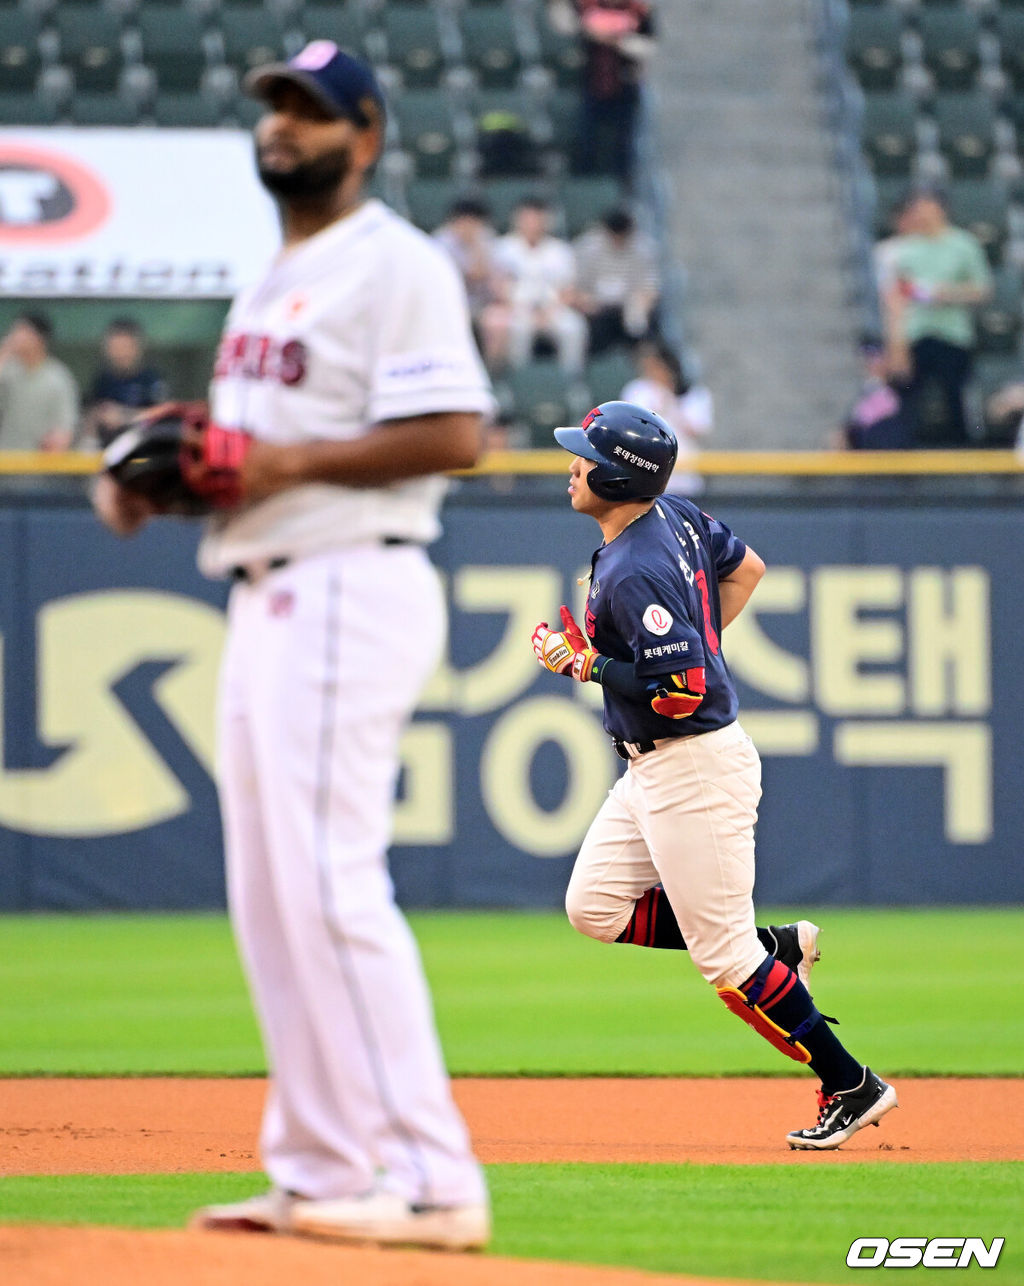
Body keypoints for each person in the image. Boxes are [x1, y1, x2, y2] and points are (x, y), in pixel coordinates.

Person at [92, 41, 492, 1251]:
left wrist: (278, 464)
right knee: (270, 897)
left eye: (311, 111)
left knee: (327, 880)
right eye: (274, 107)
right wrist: (164, 480)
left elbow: (457, 430)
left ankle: (433, 1180)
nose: (285, 127)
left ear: (364, 137)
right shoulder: (270, 281)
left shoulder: (394, 262)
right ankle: (322, 1166)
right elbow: (243, 459)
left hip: (346, 581)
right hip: (268, 588)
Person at [531, 401, 898, 1149]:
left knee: (726, 961)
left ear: (613, 473)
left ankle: (851, 1083)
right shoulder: (673, 516)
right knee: (594, 907)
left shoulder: (635, 565)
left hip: (691, 767)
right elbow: (748, 569)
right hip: (652, 768)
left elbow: (684, 688)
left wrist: (587, 664)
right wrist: (682, 648)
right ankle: (771, 947)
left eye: (583, 455)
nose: (571, 465)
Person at [889, 187, 992, 446]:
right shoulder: (907, 249)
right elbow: (898, 294)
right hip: (917, 333)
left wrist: (945, 294)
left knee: (954, 397)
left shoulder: (964, 245)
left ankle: (962, 452)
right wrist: (897, 343)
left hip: (952, 334)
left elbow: (982, 290)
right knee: (908, 398)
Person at [547, 0, 656, 186]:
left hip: (624, 84)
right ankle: (584, 185)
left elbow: (648, 45)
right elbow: (564, 25)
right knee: (587, 137)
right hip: (591, 83)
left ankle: (621, 187)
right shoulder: (587, 4)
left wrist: (615, 39)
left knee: (623, 142)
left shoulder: (638, 9)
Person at [481, 196, 588, 375]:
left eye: (537, 219)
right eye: (527, 219)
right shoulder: (504, 248)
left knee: (574, 328)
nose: (532, 224)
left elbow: (568, 289)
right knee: (518, 329)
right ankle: (517, 381)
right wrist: (520, 308)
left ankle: (571, 383)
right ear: (518, 220)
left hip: (553, 309)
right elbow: (498, 286)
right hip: (517, 308)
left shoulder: (559, 250)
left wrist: (549, 311)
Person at [620, 339, 710, 490]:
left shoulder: (695, 395)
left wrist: (671, 404)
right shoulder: (637, 390)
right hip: (646, 471)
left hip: (684, 472)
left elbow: (697, 430)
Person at [572, 207, 660, 354]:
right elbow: (575, 287)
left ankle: (642, 360)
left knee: (640, 322)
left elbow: (650, 288)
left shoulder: (644, 248)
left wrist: (641, 304)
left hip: (630, 306)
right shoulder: (587, 248)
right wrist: (585, 301)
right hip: (596, 308)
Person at [0, 313, 79, 451]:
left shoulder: (57, 376)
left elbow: (66, 426)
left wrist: (59, 437)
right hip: (6, 460)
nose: (15, 337)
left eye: (22, 331)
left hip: (40, 465)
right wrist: (4, 352)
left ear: (39, 338)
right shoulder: (7, 371)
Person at [84, 318, 168, 446]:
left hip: (144, 449)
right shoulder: (103, 380)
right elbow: (92, 415)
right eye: (115, 348)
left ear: (137, 348)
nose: (120, 354)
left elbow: (163, 416)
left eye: (125, 347)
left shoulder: (151, 380)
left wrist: (125, 416)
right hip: (107, 449)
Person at [432, 198, 502, 341]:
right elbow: (469, 276)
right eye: (464, 221)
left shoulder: (487, 238)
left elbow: (492, 278)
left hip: (483, 303)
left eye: (474, 222)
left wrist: (478, 247)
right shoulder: (441, 242)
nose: (469, 227)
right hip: (449, 302)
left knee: (499, 321)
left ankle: (495, 364)